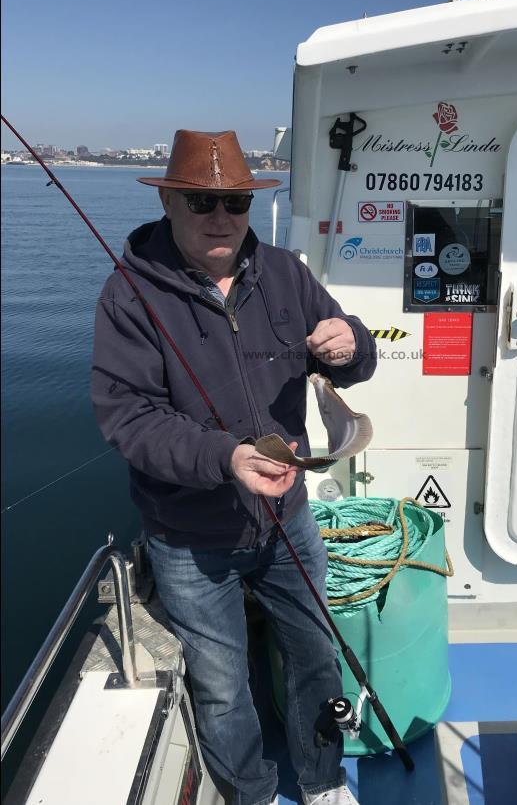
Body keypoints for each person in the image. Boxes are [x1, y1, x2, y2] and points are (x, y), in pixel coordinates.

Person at [91, 129, 376, 805]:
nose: (221, 217)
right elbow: (126, 417)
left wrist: (351, 344)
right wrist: (225, 458)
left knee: (314, 655)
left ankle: (322, 779)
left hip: (287, 519)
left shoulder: (285, 272)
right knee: (221, 684)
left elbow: (350, 359)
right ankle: (250, 793)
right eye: (201, 201)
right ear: (168, 200)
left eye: (235, 201)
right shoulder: (128, 294)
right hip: (189, 535)